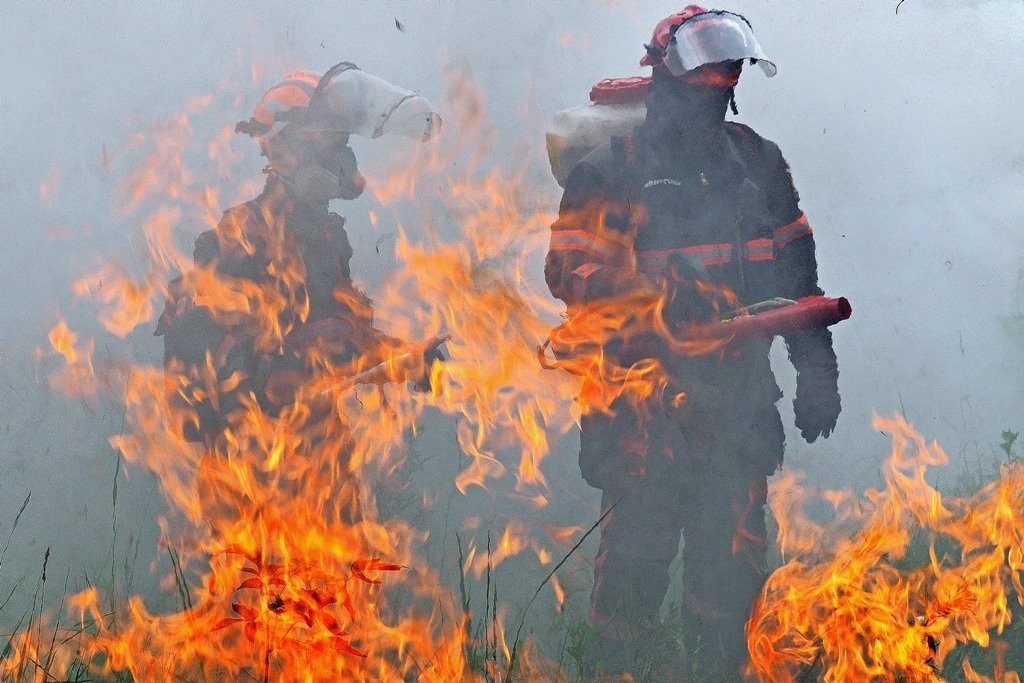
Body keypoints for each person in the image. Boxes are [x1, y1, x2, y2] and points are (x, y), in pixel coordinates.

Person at [544, 7, 841, 678]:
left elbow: (798, 275)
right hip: (641, 417)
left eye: (725, 82)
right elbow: (567, 270)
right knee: (630, 584)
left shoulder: (759, 161)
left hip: (737, 412)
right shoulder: (609, 169)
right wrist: (653, 297)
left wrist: (816, 367)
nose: (712, 99)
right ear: (662, 83)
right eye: (699, 85)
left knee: (727, 586)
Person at [155, 62, 442, 518]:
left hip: (322, 462)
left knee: (346, 560)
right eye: (328, 145)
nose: (340, 161)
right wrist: (265, 375)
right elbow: (196, 341)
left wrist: (402, 357)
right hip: (253, 469)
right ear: (286, 149)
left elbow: (340, 338)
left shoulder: (326, 237)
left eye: (341, 146)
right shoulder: (243, 233)